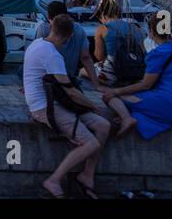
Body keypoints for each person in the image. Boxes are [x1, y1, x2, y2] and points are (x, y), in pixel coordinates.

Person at [24, 14, 113, 199]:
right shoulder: (52, 55)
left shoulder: (37, 44)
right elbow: (71, 91)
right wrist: (92, 106)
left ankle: (87, 175)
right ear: (70, 36)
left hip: (56, 102)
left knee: (104, 126)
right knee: (91, 142)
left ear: (51, 28)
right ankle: (53, 180)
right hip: (44, 107)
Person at [100, 13, 172, 140]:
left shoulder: (158, 53)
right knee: (134, 102)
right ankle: (135, 116)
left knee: (111, 98)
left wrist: (115, 91)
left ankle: (127, 119)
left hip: (171, 106)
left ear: (151, 32)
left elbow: (146, 85)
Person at [32, 0, 100, 92]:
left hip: (49, 80)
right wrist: (97, 85)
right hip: (67, 79)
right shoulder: (79, 30)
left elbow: (37, 58)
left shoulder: (44, 29)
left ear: (48, 17)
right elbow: (86, 57)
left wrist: (31, 85)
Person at [94, 0, 147, 86]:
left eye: (99, 17)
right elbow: (143, 52)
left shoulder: (102, 29)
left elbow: (99, 57)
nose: (100, 20)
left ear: (103, 14)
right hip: (136, 74)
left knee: (83, 71)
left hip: (113, 74)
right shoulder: (136, 28)